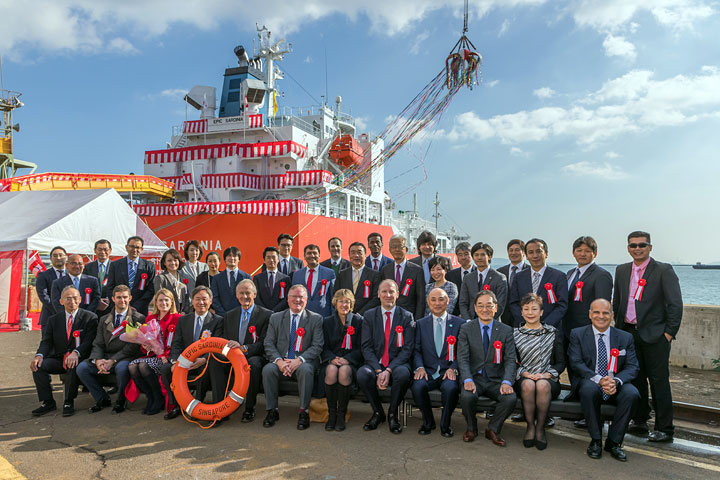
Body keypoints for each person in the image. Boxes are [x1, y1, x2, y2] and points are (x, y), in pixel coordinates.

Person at [613, 231, 682, 443]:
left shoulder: (663, 270)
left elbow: (675, 304)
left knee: (659, 381)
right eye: (633, 245)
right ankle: (640, 420)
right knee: (635, 379)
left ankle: (664, 428)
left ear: (650, 247)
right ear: (628, 248)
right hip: (628, 333)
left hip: (655, 336)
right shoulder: (622, 270)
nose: (637, 248)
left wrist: (668, 333)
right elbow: (618, 302)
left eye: (642, 245)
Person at [569, 299, 640, 461]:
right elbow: (576, 364)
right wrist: (600, 380)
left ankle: (614, 442)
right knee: (588, 389)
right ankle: (595, 441)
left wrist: (615, 381)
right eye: (596, 312)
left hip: (616, 383)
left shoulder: (625, 337)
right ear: (590, 314)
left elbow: (632, 367)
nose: (601, 316)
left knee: (632, 393)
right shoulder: (578, 334)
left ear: (612, 315)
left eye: (605, 313)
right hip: (591, 380)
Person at [457, 290, 517, 446]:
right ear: (475, 309)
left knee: (510, 398)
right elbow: (462, 358)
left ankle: (493, 429)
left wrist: (506, 382)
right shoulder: (466, 329)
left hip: (496, 380)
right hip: (475, 378)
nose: (485, 309)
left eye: (489, 305)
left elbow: (511, 360)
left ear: (496, 308)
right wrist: (467, 379)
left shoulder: (506, 330)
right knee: (467, 396)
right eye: (481, 306)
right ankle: (471, 427)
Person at [262, 285, 324, 430]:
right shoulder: (276, 318)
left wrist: (299, 360)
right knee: (268, 369)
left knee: (306, 370)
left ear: (306, 300)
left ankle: (304, 411)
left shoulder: (316, 319)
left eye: (301, 297)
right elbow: (269, 343)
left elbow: (317, 346)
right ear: (288, 299)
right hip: (281, 361)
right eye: (294, 297)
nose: (297, 300)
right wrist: (279, 362)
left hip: (303, 361)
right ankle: (272, 410)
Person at [31, 286, 99, 417]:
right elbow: (46, 341)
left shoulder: (90, 318)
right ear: (61, 301)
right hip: (59, 358)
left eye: (74, 298)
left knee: (73, 363)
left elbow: (89, 341)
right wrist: (39, 356)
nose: (72, 301)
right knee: (38, 366)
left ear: (80, 300)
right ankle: (47, 402)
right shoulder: (53, 320)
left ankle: (68, 401)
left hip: (80, 357)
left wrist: (76, 352)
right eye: (68, 298)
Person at [358, 279, 415, 434]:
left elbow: (407, 349)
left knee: (403, 374)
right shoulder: (369, 316)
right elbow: (366, 347)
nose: (388, 295)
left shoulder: (407, 316)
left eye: (391, 291)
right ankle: (378, 412)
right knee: (363, 374)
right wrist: (378, 370)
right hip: (376, 362)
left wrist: (388, 370)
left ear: (397, 294)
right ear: (378, 294)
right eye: (384, 291)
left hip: (397, 363)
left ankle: (392, 413)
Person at [76, 285, 145, 414]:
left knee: (122, 368)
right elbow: (98, 342)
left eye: (125, 297)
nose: (122, 300)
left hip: (125, 357)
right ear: (113, 299)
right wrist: (97, 360)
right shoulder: (104, 319)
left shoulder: (138, 318)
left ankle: (121, 401)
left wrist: (112, 361)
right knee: (82, 368)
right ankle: (102, 398)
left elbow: (132, 347)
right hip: (106, 357)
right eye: (118, 297)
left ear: (130, 298)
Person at [211, 280, 271, 423]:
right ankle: (220, 408)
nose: (245, 296)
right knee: (215, 361)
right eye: (241, 293)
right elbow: (224, 339)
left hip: (254, 355)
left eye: (248, 293)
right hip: (232, 356)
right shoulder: (229, 315)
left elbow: (265, 343)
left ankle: (250, 408)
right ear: (237, 296)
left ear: (254, 294)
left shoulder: (266, 315)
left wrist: (244, 348)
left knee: (253, 365)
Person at [513, 293, 564, 450]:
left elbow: (561, 362)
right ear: (521, 312)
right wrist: (524, 373)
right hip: (523, 379)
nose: (530, 312)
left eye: (534, 309)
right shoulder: (514, 334)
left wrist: (546, 375)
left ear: (541, 312)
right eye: (526, 309)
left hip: (548, 380)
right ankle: (530, 427)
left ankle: (540, 428)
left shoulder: (552, 333)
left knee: (541, 385)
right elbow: (511, 361)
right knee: (529, 385)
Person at [164, 286, 223, 420]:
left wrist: (203, 359)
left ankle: (197, 405)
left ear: (210, 301)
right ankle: (177, 405)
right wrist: (175, 362)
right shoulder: (183, 320)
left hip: (203, 360)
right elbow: (176, 344)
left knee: (206, 367)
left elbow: (217, 347)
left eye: (204, 299)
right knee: (166, 369)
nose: (201, 302)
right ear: (192, 301)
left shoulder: (218, 321)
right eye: (197, 299)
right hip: (184, 360)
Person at [412, 287, 461, 437]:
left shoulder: (460, 323)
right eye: (433, 300)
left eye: (441, 299)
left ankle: (445, 424)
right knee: (418, 386)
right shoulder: (420, 324)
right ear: (428, 302)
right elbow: (416, 349)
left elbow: (463, 352)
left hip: (448, 371)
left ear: (448, 301)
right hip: (428, 370)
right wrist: (419, 367)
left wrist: (453, 368)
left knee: (451, 389)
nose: (437, 303)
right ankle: (428, 422)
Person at [128, 289, 181, 416]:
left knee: (143, 366)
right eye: (160, 300)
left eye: (166, 300)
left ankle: (158, 399)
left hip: (167, 357)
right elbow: (146, 338)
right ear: (156, 303)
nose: (163, 303)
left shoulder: (178, 318)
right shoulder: (150, 317)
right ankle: (151, 397)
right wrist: (145, 346)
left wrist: (164, 355)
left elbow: (178, 342)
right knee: (132, 366)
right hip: (152, 355)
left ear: (171, 302)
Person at [322, 289, 364, 431]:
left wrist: (348, 359)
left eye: (347, 302)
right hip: (332, 361)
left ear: (351, 304)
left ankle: (341, 415)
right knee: (332, 371)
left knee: (344, 371)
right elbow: (324, 346)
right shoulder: (327, 322)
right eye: (341, 301)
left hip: (350, 363)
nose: (344, 305)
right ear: (335, 303)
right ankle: (332, 414)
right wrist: (332, 358)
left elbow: (361, 347)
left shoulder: (359, 321)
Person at [508, 238, 568, 331]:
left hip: (551, 330)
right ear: (526, 256)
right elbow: (513, 303)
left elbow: (562, 305)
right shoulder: (518, 277)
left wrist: (543, 326)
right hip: (523, 330)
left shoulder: (559, 276)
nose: (535, 255)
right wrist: (527, 323)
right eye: (531, 252)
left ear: (546, 253)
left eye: (539, 251)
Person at [104, 236, 156, 315]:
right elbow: (110, 287)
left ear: (142, 249)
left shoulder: (149, 266)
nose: (134, 250)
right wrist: (120, 303)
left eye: (137, 247)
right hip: (118, 309)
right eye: (132, 246)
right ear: (126, 247)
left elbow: (151, 290)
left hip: (140, 310)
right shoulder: (115, 265)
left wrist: (136, 306)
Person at [458, 242, 507, 320]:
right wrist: (468, 320)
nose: (479, 258)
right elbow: (463, 303)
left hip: (492, 322)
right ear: (473, 257)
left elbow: (500, 305)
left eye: (483, 255)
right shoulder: (468, 278)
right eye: (476, 255)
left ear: (490, 256)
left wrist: (486, 321)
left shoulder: (499, 278)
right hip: (471, 322)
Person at [381, 234, 425, 320]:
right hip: (388, 317)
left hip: (409, 317)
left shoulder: (417, 270)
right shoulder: (385, 270)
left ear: (406, 249)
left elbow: (421, 299)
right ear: (390, 250)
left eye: (400, 247)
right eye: (394, 247)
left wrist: (417, 320)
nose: (397, 249)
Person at [334, 241, 381, 315]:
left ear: (365, 255)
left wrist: (360, 314)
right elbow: (336, 295)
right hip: (345, 315)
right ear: (349, 256)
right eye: (353, 252)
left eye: (359, 252)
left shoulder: (374, 275)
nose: (356, 255)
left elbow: (376, 298)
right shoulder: (342, 274)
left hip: (366, 317)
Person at [290, 244, 335, 317]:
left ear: (319, 256)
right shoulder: (297, 275)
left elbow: (333, 297)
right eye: (309, 253)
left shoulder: (329, 273)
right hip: (302, 315)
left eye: (314, 253)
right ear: (304, 256)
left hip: (323, 315)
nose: (312, 255)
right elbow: (293, 297)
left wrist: (333, 317)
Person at [210, 246, 250, 316]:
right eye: (229, 256)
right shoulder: (217, 278)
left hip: (241, 315)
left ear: (239, 259)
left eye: (234, 256)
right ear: (225, 259)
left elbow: (248, 297)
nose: (232, 258)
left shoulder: (246, 277)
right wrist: (223, 314)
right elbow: (214, 298)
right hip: (221, 316)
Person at [497, 239, 528, 326]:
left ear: (524, 253)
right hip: (503, 317)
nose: (513, 253)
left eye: (517, 250)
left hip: (524, 317)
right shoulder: (499, 272)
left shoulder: (530, 271)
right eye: (511, 250)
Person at [154, 249, 195, 314]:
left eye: (175, 260)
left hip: (182, 315)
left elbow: (187, 298)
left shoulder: (183, 278)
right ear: (164, 263)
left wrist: (185, 311)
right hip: (168, 314)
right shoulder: (160, 278)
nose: (173, 263)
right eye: (169, 260)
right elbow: (159, 298)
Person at [37, 246, 67, 332]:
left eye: (61, 255)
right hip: (50, 315)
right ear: (50, 258)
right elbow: (44, 296)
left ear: (66, 257)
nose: (58, 258)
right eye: (55, 255)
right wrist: (60, 310)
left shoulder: (72, 274)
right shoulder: (43, 275)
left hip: (69, 317)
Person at [253, 246, 290, 311]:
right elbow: (256, 298)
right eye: (268, 257)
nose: (271, 260)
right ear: (264, 260)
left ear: (278, 259)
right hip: (262, 314)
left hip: (280, 314)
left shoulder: (285, 279)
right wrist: (266, 312)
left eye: (273, 257)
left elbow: (286, 298)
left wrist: (274, 311)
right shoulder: (257, 278)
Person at [83, 239, 113, 316]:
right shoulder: (87, 268)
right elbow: (85, 286)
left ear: (110, 250)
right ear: (95, 250)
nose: (102, 252)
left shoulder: (116, 266)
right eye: (99, 249)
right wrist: (97, 301)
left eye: (105, 249)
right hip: (93, 308)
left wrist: (109, 299)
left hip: (111, 307)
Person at [446, 242, 475, 316]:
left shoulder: (479, 273)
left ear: (472, 255)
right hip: (455, 315)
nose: (463, 257)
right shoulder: (450, 275)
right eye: (460, 254)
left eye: (466, 254)